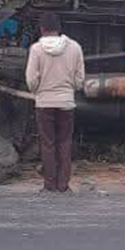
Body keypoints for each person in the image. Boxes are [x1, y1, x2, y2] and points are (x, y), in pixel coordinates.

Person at [25, 12, 85, 193]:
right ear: (59, 28)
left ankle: (49, 185)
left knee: (48, 144)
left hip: (44, 102)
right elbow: (80, 78)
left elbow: (31, 79)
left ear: (42, 29)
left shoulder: (36, 49)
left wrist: (38, 91)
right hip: (66, 101)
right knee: (65, 143)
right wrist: (69, 89)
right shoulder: (74, 47)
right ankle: (63, 185)